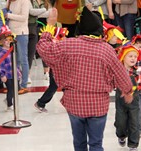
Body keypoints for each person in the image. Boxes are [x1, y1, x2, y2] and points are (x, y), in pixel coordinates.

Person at [37, 6, 134, 151]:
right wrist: (127, 91)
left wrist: (50, 25)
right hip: (98, 105)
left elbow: (43, 48)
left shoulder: (68, 45)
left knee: (79, 143)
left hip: (75, 103)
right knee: (96, 144)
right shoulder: (106, 49)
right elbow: (121, 73)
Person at [34, 26, 69, 113]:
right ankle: (40, 103)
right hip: (56, 71)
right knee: (53, 87)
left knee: (65, 87)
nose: (65, 37)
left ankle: (70, 103)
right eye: (63, 36)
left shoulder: (59, 45)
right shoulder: (56, 45)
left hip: (60, 71)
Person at [0, 25, 21, 111]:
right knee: (10, 90)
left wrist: (18, 72)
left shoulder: (12, 50)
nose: (8, 42)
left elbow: (15, 62)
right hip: (8, 75)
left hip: (15, 73)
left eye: (10, 40)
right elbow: (1, 64)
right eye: (5, 40)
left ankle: (8, 100)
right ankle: (10, 105)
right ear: (2, 42)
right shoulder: (2, 52)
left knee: (16, 88)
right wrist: (2, 75)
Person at [6, 0, 30, 94]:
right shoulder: (10, 1)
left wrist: (9, 15)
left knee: (23, 59)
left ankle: (23, 85)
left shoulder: (25, 1)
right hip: (11, 34)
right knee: (15, 61)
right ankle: (15, 85)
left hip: (21, 33)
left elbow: (24, 17)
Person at [28, 0, 48, 83]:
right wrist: (43, 11)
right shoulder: (30, 1)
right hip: (32, 28)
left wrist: (37, 13)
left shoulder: (47, 2)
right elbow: (30, 12)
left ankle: (46, 72)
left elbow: (50, 13)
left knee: (45, 51)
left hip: (44, 28)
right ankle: (27, 75)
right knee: (30, 52)